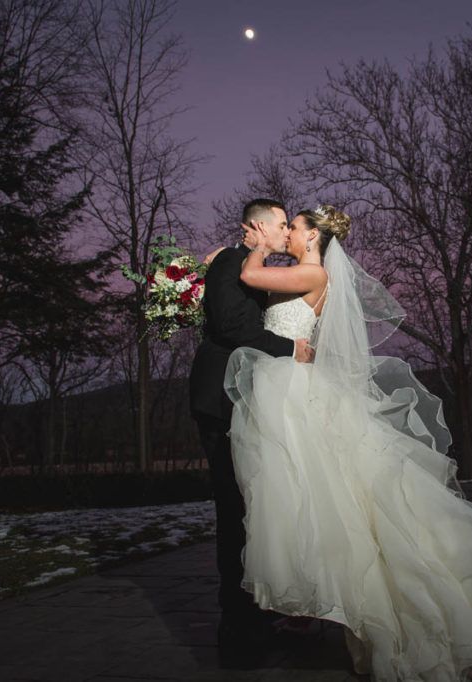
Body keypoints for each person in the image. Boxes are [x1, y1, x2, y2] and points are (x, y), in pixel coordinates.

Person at [225, 204, 472, 680]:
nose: (289, 234)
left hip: (293, 393)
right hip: (287, 389)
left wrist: (252, 247)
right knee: (323, 503)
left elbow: (253, 278)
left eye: (294, 228)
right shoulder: (302, 270)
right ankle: (345, 611)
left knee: (337, 502)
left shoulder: (311, 273)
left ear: (314, 237)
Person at [188, 198, 314, 658]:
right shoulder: (230, 260)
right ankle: (239, 636)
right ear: (255, 227)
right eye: (281, 225)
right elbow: (232, 325)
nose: (285, 233)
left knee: (251, 513)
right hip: (221, 403)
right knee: (236, 515)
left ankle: (257, 618)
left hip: (240, 401)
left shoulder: (249, 265)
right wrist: (291, 350)